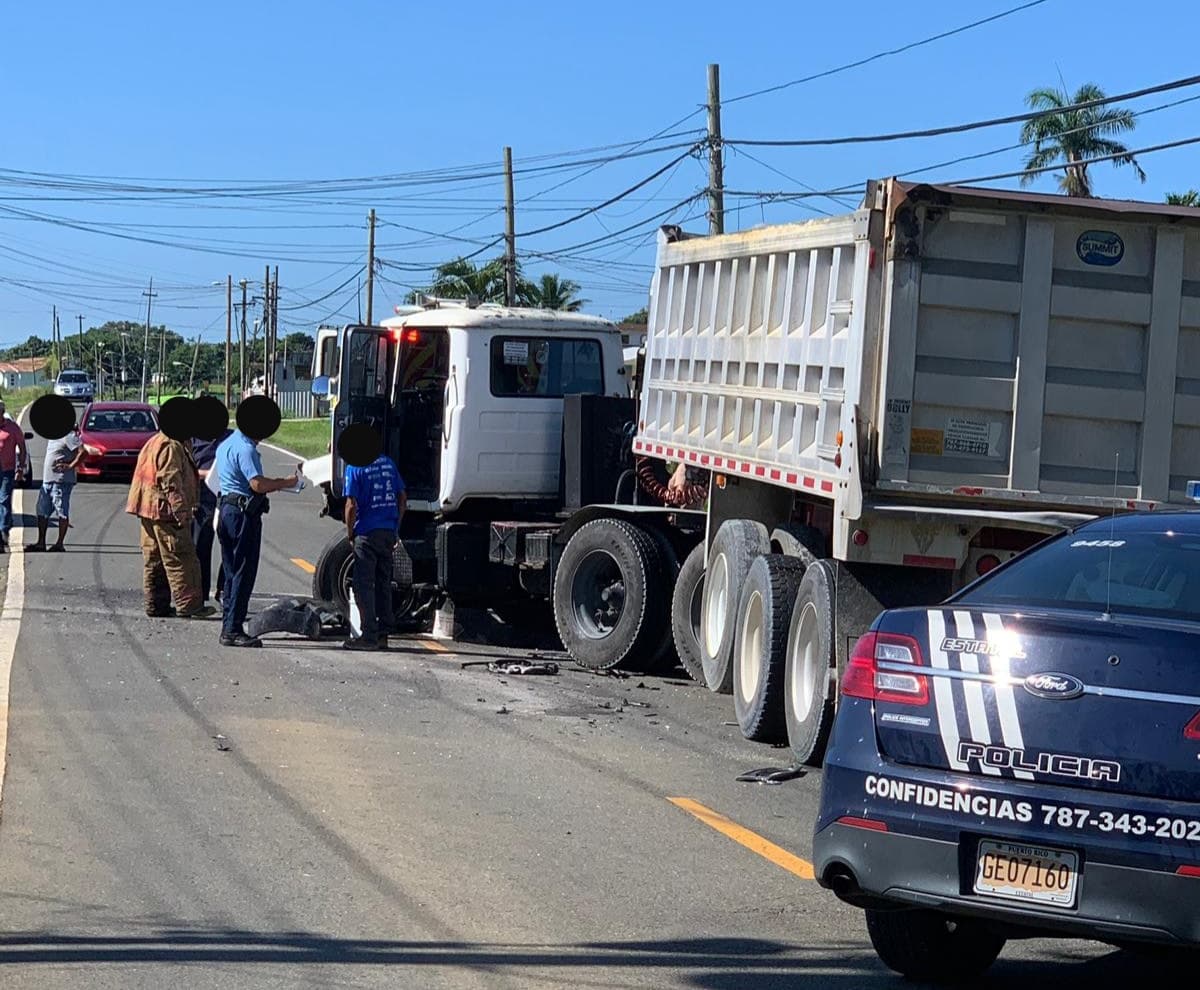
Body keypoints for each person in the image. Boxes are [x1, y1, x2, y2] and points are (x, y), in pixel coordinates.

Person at [215, 397, 300, 648]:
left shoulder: (226, 444)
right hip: (243, 515)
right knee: (243, 572)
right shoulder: (247, 449)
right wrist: (286, 482)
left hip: (227, 510)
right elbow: (257, 484)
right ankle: (233, 629)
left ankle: (228, 624)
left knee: (230, 571)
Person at [126, 398, 215, 619]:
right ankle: (190, 605)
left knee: (154, 559)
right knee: (181, 557)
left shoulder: (154, 441)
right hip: (165, 511)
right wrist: (181, 511)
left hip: (146, 508)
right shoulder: (171, 446)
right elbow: (170, 481)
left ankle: (156, 604)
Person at [342, 441, 406, 651]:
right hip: (387, 531)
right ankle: (383, 635)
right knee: (383, 583)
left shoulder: (355, 467)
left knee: (363, 585)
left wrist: (350, 533)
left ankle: (368, 635)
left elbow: (351, 505)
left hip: (367, 532)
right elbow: (402, 497)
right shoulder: (388, 464)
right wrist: (395, 526)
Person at [27, 419, 84, 553]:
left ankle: (59, 544)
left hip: (61, 481)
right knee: (42, 511)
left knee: (61, 511)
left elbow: (83, 452)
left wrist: (70, 465)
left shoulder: (69, 436)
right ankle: (41, 543)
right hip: (48, 481)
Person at [0, 401, 27, 553]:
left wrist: (20, 468)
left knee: (3, 500)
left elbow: (22, 447)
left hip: (7, 470)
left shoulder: (12, 428)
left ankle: (3, 533)